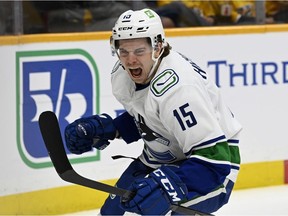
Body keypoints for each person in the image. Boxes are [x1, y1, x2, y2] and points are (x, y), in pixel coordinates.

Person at [64, 8, 242, 215]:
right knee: (113, 213)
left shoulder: (180, 90)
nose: (130, 60)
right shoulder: (123, 75)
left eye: (139, 51)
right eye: (124, 51)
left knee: (158, 210)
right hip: (161, 159)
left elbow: (215, 161)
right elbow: (152, 117)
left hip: (210, 168)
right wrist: (110, 129)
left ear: (158, 47)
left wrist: (170, 185)